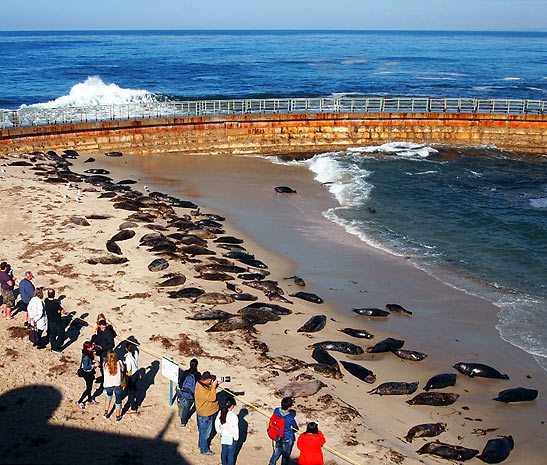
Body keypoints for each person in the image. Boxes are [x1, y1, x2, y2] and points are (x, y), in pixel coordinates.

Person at [194, 371, 223, 455]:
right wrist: (213, 386)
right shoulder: (201, 389)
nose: (211, 381)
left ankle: (201, 445)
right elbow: (212, 397)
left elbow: (209, 392)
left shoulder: (201, 384)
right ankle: (204, 450)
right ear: (204, 380)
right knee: (205, 433)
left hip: (204, 412)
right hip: (205, 415)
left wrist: (216, 385)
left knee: (202, 432)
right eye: (209, 379)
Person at [268, 397, 298, 465]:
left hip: (278, 435)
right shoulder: (290, 418)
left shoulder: (276, 410)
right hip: (287, 437)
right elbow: (295, 427)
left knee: (277, 450)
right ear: (289, 407)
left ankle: (271, 463)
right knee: (285, 455)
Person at [214, 397, 239, 465]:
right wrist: (236, 438)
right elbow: (236, 429)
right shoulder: (234, 417)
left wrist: (218, 431)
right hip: (231, 437)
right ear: (232, 406)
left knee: (224, 451)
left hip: (224, 435)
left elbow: (216, 422)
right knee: (231, 454)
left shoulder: (221, 412)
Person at [75, 341, 100, 409]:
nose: (93, 347)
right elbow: (86, 367)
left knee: (89, 387)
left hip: (90, 373)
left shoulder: (86, 352)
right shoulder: (86, 357)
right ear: (88, 348)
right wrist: (93, 365)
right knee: (88, 389)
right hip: (87, 373)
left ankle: (89, 400)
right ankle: (79, 402)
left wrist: (93, 362)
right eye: (91, 346)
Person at [176, 358, 200, 427]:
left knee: (184, 407)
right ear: (197, 365)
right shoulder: (198, 374)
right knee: (188, 407)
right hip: (192, 395)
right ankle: (184, 422)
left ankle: (183, 422)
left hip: (184, 393)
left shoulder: (186, 372)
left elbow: (180, 383)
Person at [103, 349, 124, 422]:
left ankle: (106, 412)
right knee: (118, 400)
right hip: (117, 384)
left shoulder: (104, 364)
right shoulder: (119, 363)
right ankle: (118, 416)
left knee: (109, 397)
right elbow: (123, 369)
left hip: (108, 385)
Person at [44, 288, 64, 355]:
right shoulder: (56, 304)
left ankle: (53, 345)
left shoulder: (46, 301)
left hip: (50, 320)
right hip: (57, 321)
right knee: (61, 335)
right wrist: (60, 311)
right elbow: (62, 310)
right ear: (54, 295)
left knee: (52, 334)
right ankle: (55, 348)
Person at [123, 342, 139, 414]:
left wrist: (125, 362)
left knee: (130, 392)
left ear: (126, 349)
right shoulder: (135, 353)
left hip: (132, 375)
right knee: (131, 388)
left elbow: (129, 369)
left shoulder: (128, 358)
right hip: (136, 373)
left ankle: (133, 407)